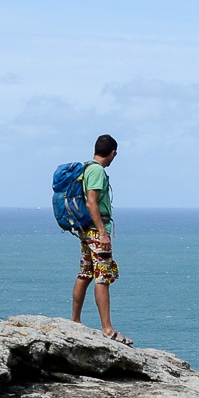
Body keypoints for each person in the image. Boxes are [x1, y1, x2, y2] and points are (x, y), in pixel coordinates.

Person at [70, 134, 131, 344]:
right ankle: (107, 328)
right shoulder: (96, 171)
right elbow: (91, 203)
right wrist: (103, 233)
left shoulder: (88, 168)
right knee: (102, 277)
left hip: (86, 230)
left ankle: (75, 321)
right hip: (97, 231)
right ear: (112, 153)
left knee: (85, 273)